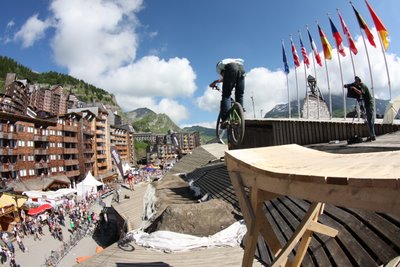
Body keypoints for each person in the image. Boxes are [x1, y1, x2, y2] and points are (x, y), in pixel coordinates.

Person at [209, 58, 245, 128]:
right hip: (242, 72)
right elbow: (228, 76)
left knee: (226, 95)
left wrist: (214, 82)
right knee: (240, 95)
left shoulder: (219, 66)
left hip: (232, 68)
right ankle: (238, 119)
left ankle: (225, 120)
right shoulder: (233, 61)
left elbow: (225, 76)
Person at [348, 76, 376, 141]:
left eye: (356, 81)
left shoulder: (363, 85)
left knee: (370, 121)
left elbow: (360, 92)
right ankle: (372, 136)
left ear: (358, 81)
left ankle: (373, 136)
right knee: (370, 121)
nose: (355, 83)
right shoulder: (361, 86)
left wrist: (354, 88)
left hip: (369, 105)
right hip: (368, 105)